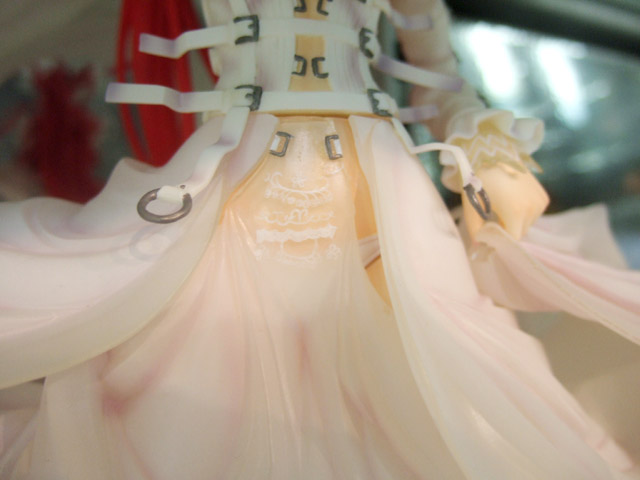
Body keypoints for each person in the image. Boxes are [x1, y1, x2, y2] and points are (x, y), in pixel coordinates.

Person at [1, 0, 639, 478]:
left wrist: (484, 143)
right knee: (209, 385)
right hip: (241, 187)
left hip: (382, 200)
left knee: (436, 382)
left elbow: (441, 77)